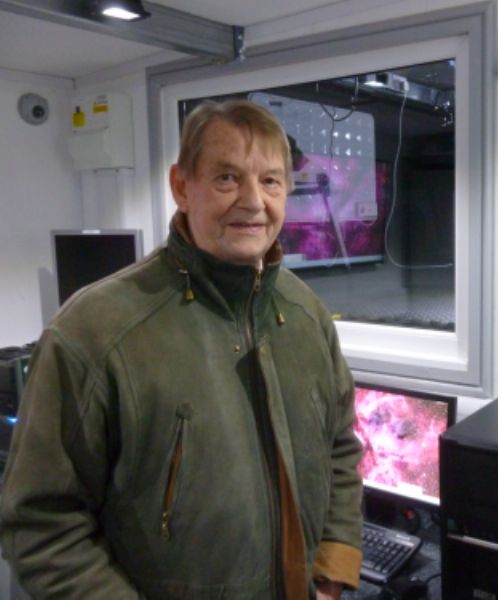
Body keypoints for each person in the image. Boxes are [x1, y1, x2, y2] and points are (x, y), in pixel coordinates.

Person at [0, 99, 364, 599]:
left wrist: (331, 573)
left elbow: (341, 446)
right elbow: (40, 524)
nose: (254, 201)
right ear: (181, 187)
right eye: (227, 178)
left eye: (271, 181)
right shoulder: (95, 331)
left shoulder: (306, 315)